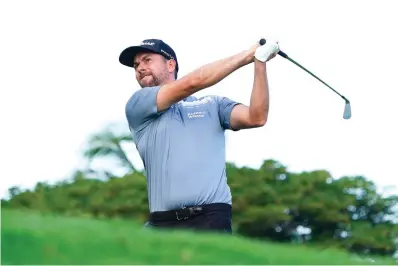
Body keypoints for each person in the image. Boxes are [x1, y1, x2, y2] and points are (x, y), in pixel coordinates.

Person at [119, 38, 279, 234]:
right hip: (162, 222)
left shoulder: (213, 105)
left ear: (170, 64)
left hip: (211, 218)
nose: (140, 68)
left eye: (147, 60)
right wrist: (247, 55)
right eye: (136, 65)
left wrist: (259, 62)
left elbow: (256, 117)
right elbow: (193, 83)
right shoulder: (139, 104)